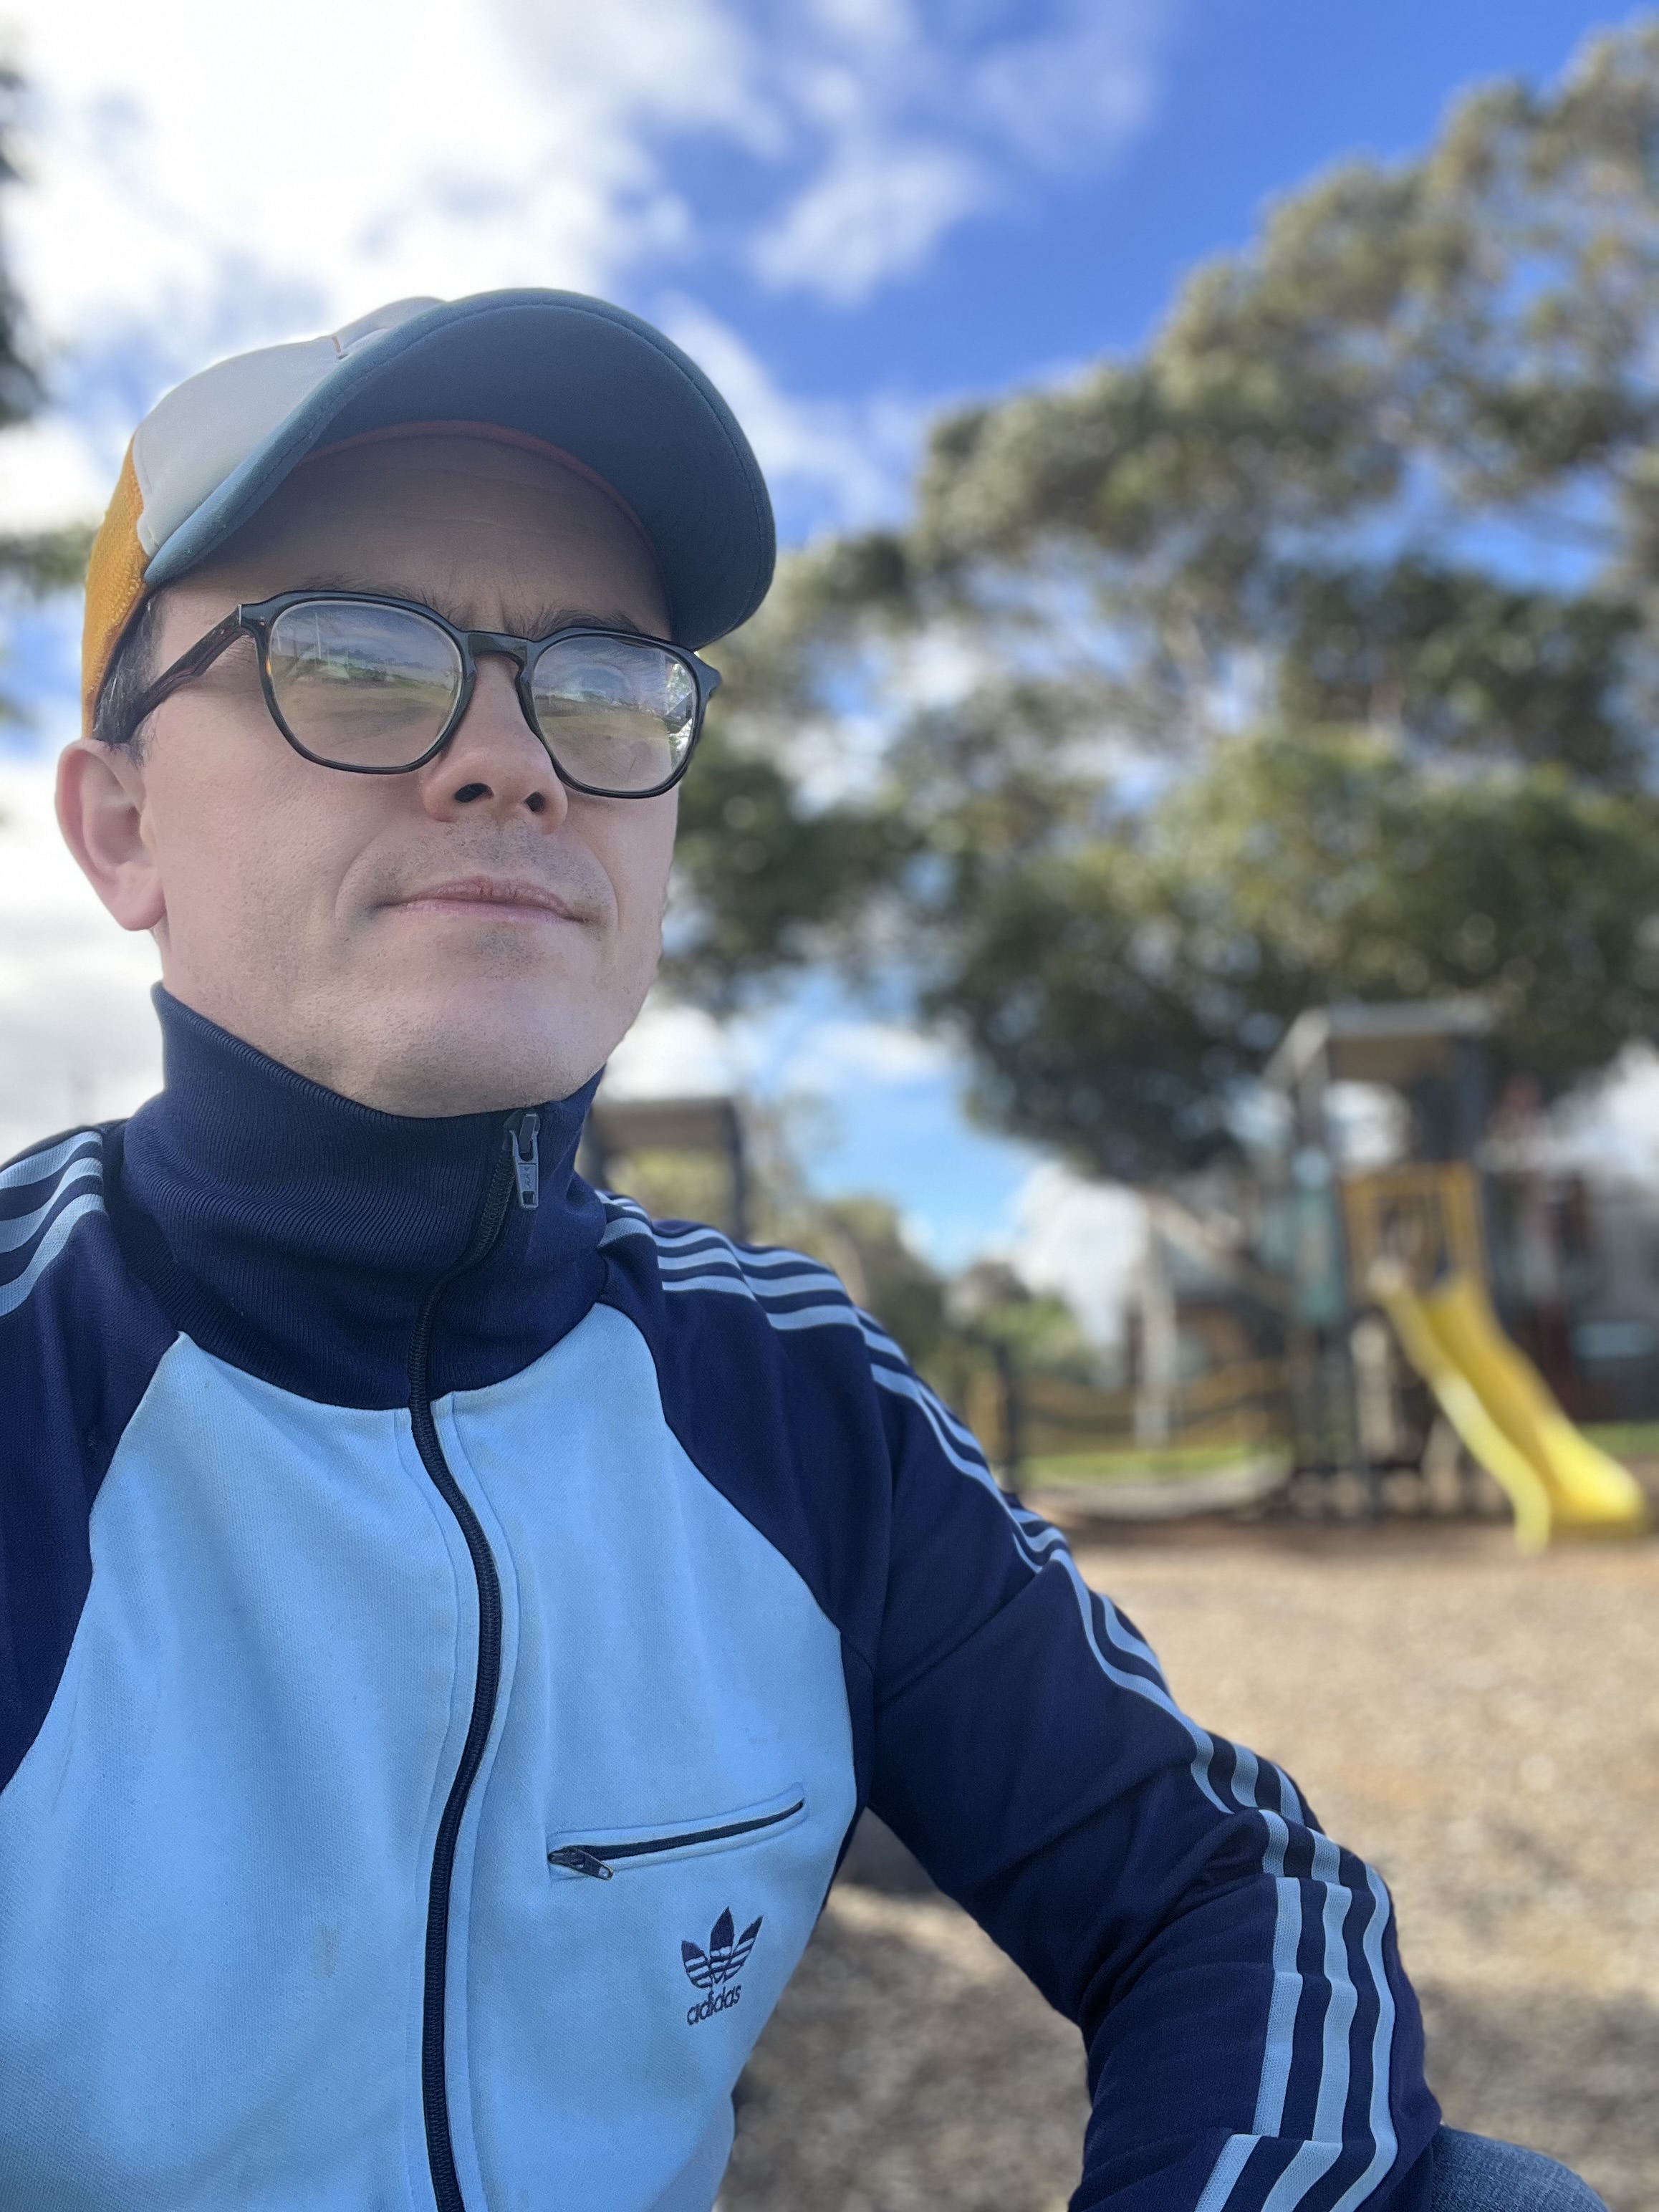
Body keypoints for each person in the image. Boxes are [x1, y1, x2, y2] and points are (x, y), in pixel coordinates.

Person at [1, 290, 1601, 2212]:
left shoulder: (786, 1391)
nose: (511, 759)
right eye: (352, 657)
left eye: (601, 683)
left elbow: (1222, 1880)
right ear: (118, 825)